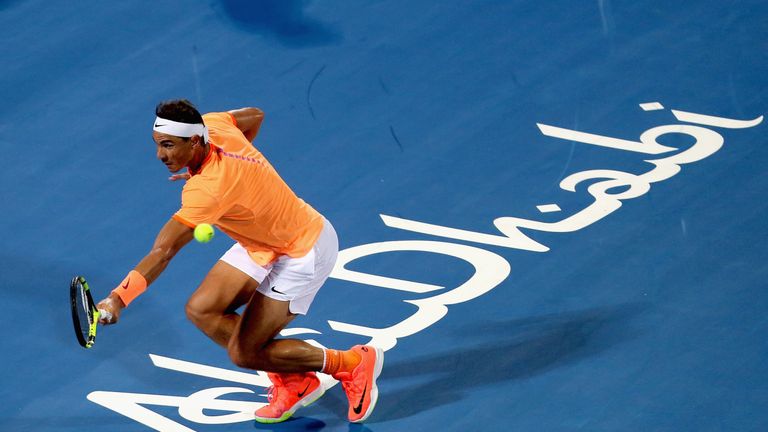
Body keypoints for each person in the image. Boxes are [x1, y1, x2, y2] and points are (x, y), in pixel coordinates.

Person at [96, 99, 383, 424]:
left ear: (193, 141)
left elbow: (163, 251)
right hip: (262, 240)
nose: (160, 155)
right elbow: (255, 115)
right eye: (158, 145)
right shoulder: (213, 125)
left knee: (245, 352)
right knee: (202, 309)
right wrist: (241, 172)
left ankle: (350, 363)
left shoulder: (207, 192)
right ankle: (294, 381)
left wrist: (118, 298)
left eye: (168, 146)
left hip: (304, 250)